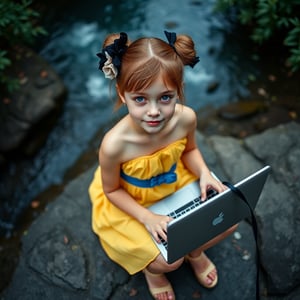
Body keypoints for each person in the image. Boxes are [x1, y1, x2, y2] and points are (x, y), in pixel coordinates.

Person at [89, 31, 237, 300]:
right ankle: (153, 273)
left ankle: (195, 251)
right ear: (123, 95)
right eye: (141, 99)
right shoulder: (114, 144)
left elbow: (190, 150)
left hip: (174, 181)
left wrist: (203, 172)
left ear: (179, 90)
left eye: (165, 97)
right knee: (168, 261)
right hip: (132, 199)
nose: (154, 111)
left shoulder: (186, 119)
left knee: (229, 221)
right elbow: (111, 191)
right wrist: (147, 218)